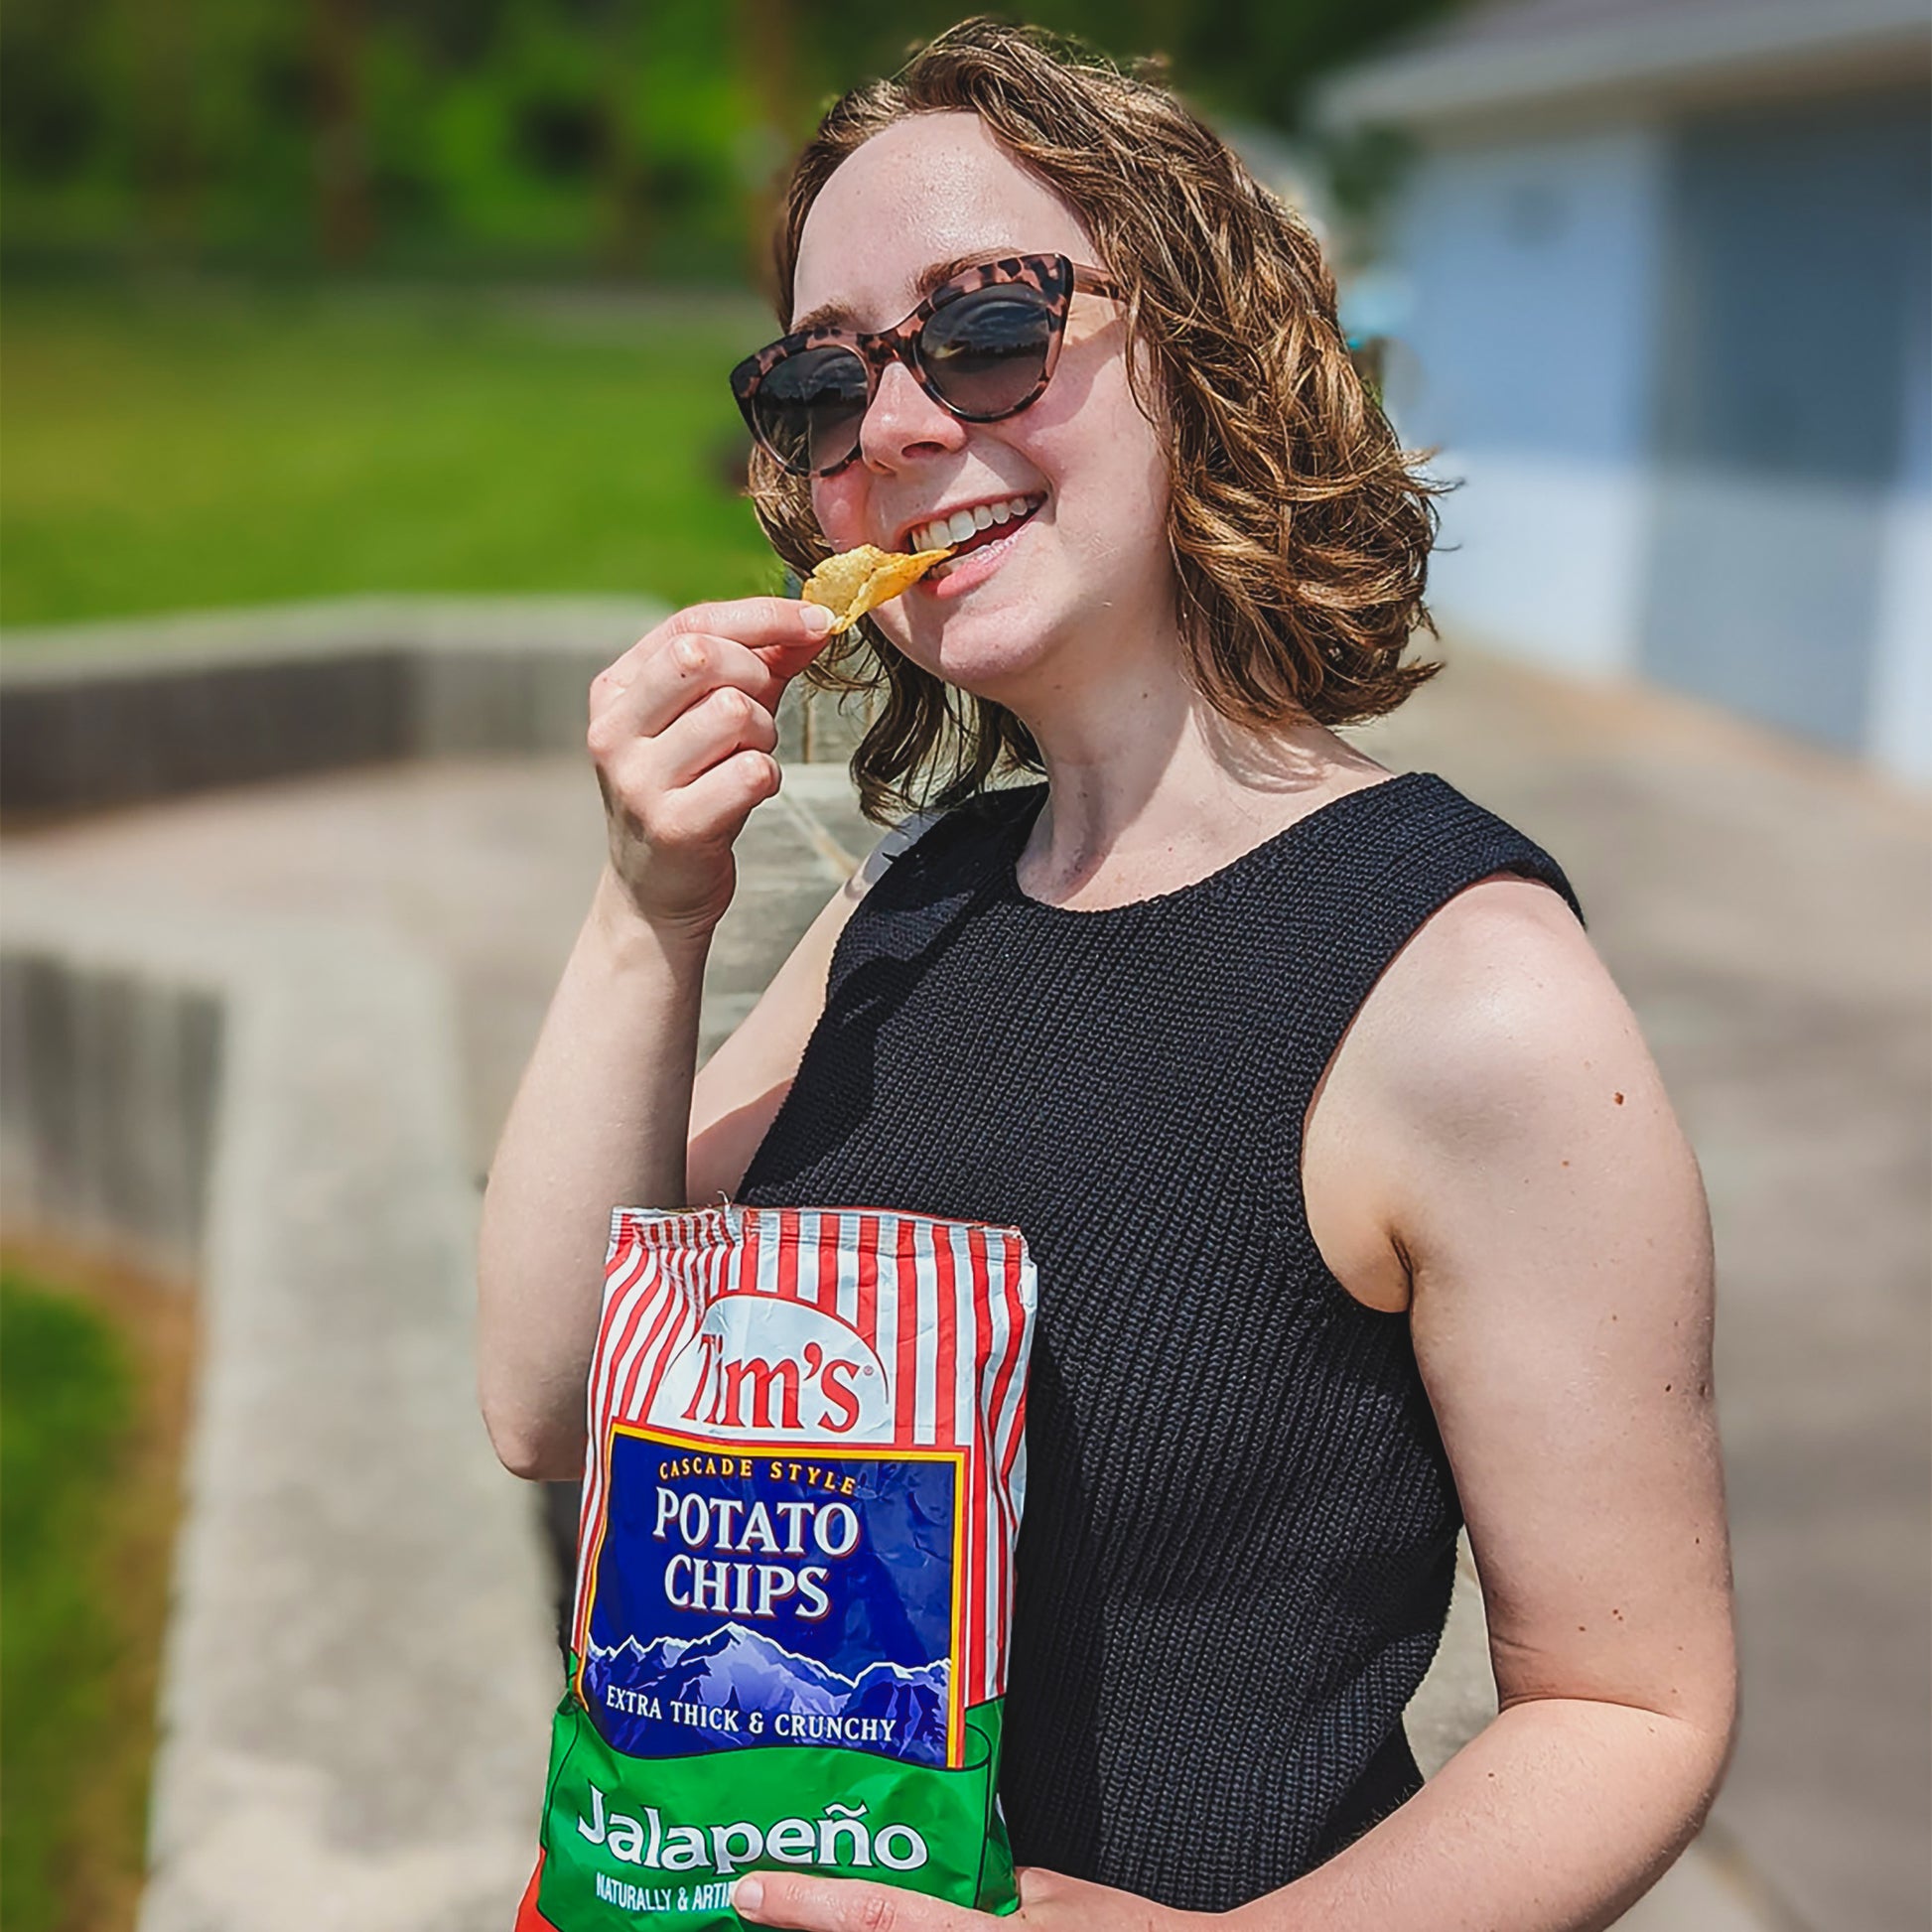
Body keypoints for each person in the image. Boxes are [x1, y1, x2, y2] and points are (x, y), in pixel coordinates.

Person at [478, 20, 1736, 1929]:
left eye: (985, 325)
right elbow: (548, 1403)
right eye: (821, 381)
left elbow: (1632, 1701)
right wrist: (646, 907)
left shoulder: (1466, 988)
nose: (892, 430)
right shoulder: (916, 905)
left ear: (1208, 351)